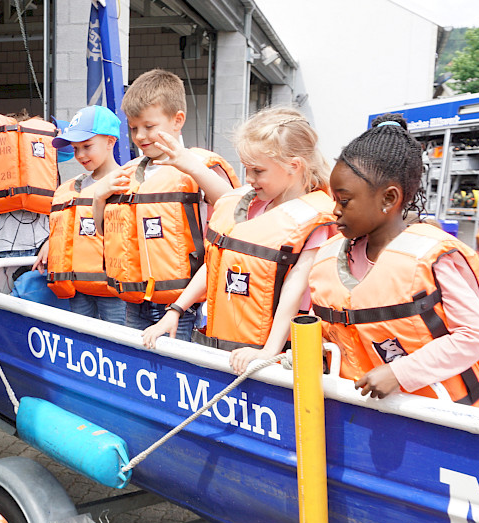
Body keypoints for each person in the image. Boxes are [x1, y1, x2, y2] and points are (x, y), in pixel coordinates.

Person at [308, 114, 479, 408]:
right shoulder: (331, 258)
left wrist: (400, 372)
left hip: (438, 417)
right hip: (362, 411)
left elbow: (476, 334)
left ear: (389, 198)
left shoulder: (428, 258)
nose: (335, 212)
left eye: (344, 201)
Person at [142, 107, 335, 373]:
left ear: (294, 165)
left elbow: (295, 287)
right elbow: (215, 264)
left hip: (275, 356)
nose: (249, 179)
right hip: (223, 345)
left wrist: (268, 350)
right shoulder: (248, 205)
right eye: (246, 169)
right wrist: (175, 310)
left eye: (257, 171)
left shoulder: (314, 220)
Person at [91, 69, 238, 340]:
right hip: (135, 302)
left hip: (185, 304)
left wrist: (192, 168)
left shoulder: (200, 166)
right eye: (134, 128)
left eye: (149, 126)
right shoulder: (129, 171)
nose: (140, 136)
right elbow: (105, 231)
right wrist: (99, 198)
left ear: (177, 120)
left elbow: (233, 210)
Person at [32, 105, 125, 324]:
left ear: (111, 141)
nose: (80, 155)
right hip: (79, 287)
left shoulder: (126, 183)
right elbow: (73, 225)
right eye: (75, 149)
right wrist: (50, 243)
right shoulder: (75, 187)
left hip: (115, 291)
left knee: (118, 342)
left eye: (87, 146)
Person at [0, 111, 58, 294]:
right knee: (40, 300)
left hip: (6, 244)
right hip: (44, 244)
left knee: (1, 302)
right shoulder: (44, 155)